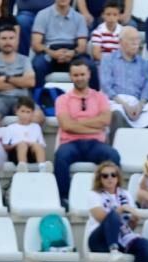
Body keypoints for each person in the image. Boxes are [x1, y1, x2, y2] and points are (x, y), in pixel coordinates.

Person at [53, 59, 121, 203]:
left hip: (95, 144)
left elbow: (105, 121)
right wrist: (94, 125)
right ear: (70, 77)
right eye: (76, 75)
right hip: (71, 143)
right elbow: (66, 125)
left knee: (112, 155)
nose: (79, 78)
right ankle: (64, 198)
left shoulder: (100, 97)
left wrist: (76, 123)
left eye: (82, 74)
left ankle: (114, 195)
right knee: (61, 156)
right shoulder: (62, 99)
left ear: (89, 74)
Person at [85, 160, 148, 262]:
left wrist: (134, 220)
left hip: (123, 237)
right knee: (113, 215)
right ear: (99, 179)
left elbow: (129, 227)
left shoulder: (126, 195)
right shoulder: (94, 194)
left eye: (113, 175)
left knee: (147, 246)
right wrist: (120, 210)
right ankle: (114, 250)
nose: (110, 178)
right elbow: (102, 218)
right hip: (99, 239)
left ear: (118, 177)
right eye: (105, 176)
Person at [31, 0, 94, 92]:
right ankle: (37, 100)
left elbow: (82, 45)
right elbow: (36, 44)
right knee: (37, 65)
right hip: (49, 51)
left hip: (73, 52)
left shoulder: (79, 18)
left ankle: (94, 100)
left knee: (90, 66)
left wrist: (72, 53)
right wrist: (52, 53)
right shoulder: (42, 15)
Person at [0, 25, 40, 119]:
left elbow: (30, 82)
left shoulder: (25, 60)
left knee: (38, 116)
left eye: (11, 38)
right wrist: (20, 83)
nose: (7, 42)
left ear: (17, 41)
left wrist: (7, 78)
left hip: (22, 99)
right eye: (4, 38)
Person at [0, 96, 48, 171]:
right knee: (22, 145)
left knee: (36, 146)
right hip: (15, 154)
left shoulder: (36, 127)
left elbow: (42, 144)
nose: (25, 115)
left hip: (31, 154)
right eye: (22, 111)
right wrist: (17, 144)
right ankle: (23, 168)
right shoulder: (11, 127)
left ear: (32, 113)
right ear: (17, 111)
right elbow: (6, 146)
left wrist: (31, 144)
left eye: (28, 112)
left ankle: (43, 167)